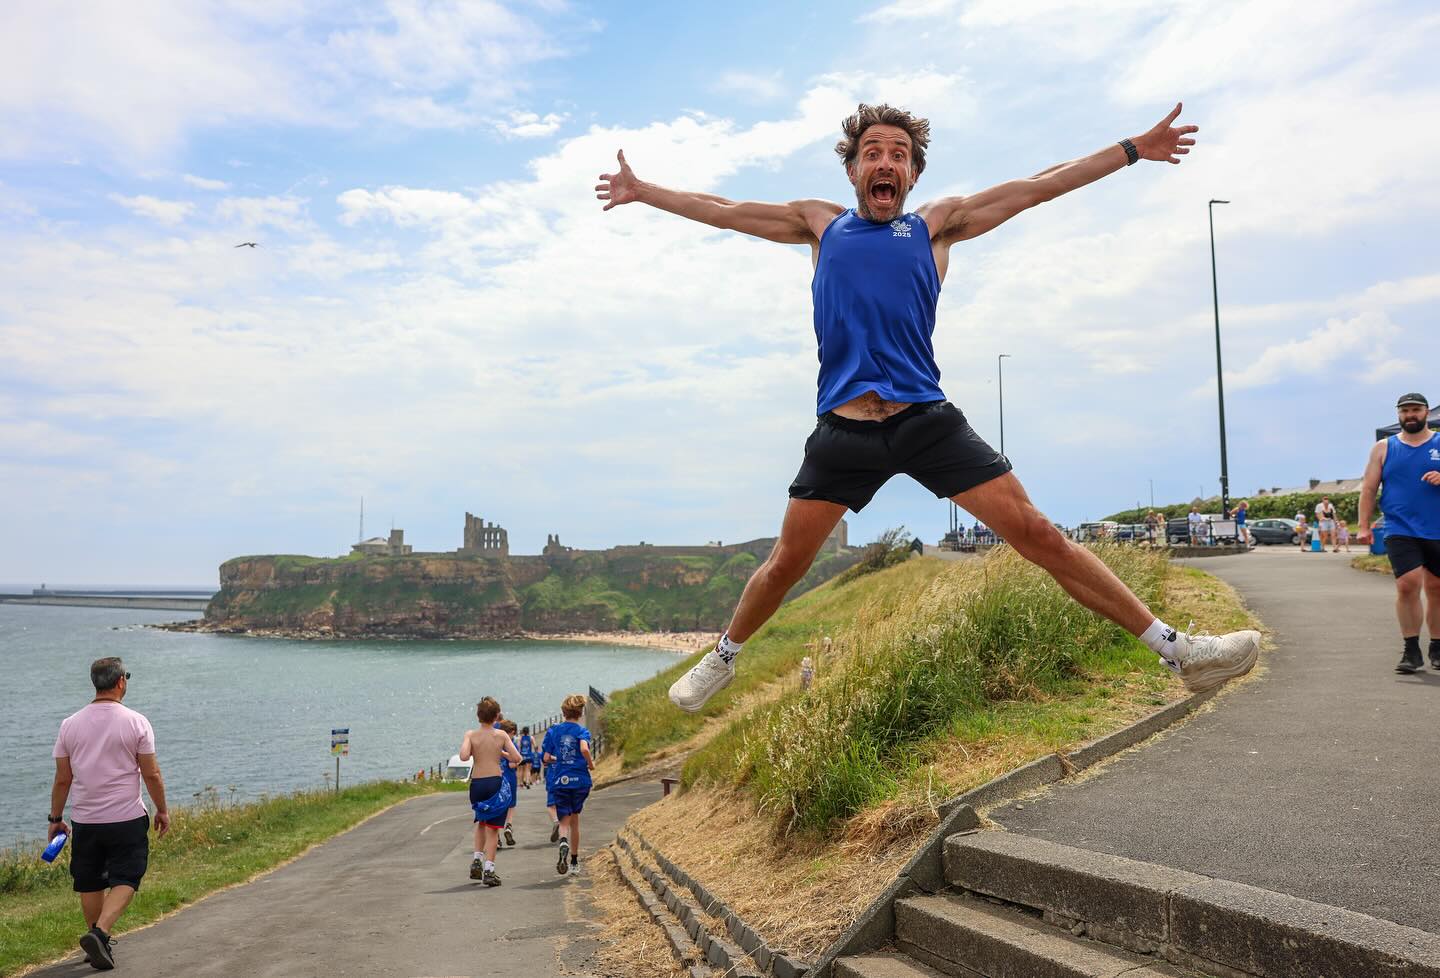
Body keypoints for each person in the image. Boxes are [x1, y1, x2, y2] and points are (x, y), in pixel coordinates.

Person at [598, 102, 1259, 710]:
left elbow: (1038, 185)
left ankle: (1181, 653)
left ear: (912, 173)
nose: (886, 162)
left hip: (924, 421)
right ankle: (723, 657)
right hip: (843, 433)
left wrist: (1133, 150)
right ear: (853, 166)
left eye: (900, 154)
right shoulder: (818, 224)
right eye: (873, 152)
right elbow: (723, 207)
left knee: (1038, 535)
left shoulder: (936, 227)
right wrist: (643, 190)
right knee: (784, 565)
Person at [48, 657, 169, 972]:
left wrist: (55, 818)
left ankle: (95, 944)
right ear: (120, 682)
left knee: (89, 882)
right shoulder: (136, 722)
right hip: (126, 817)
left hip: (86, 820)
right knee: (127, 876)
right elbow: (151, 773)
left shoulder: (69, 724)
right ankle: (99, 933)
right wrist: (162, 810)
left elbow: (63, 778)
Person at [1358, 393, 1440, 674]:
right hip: (1399, 527)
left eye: (1416, 410)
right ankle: (1411, 649)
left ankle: (1438, 647)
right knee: (1408, 583)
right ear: (1399, 415)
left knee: (1436, 587)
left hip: (1437, 528)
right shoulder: (1383, 448)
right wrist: (1363, 526)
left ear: (1426, 412)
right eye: (1405, 411)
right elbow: (1369, 489)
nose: (1411, 415)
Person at [460, 697, 522, 886]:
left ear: (478, 716)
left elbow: (463, 756)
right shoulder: (501, 735)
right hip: (494, 782)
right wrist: (501, 752)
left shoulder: (471, 734)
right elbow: (517, 757)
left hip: (477, 784)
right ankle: (489, 870)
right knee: (493, 829)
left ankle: (477, 859)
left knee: (480, 821)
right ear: (496, 716)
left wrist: (470, 744)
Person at [541, 694, 593, 877]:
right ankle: (574, 861)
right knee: (575, 821)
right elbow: (584, 749)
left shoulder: (554, 731)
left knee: (564, 820)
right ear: (580, 713)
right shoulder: (581, 731)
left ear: (563, 712)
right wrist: (591, 764)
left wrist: (558, 758)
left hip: (560, 780)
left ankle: (563, 841)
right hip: (579, 781)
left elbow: (546, 758)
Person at [497, 719, 520, 848]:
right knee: (511, 804)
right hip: (509, 777)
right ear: (511, 732)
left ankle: (496, 838)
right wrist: (518, 762)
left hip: (497, 777)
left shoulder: (495, 743)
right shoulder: (511, 744)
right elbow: (512, 763)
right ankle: (508, 826)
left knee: (498, 805)